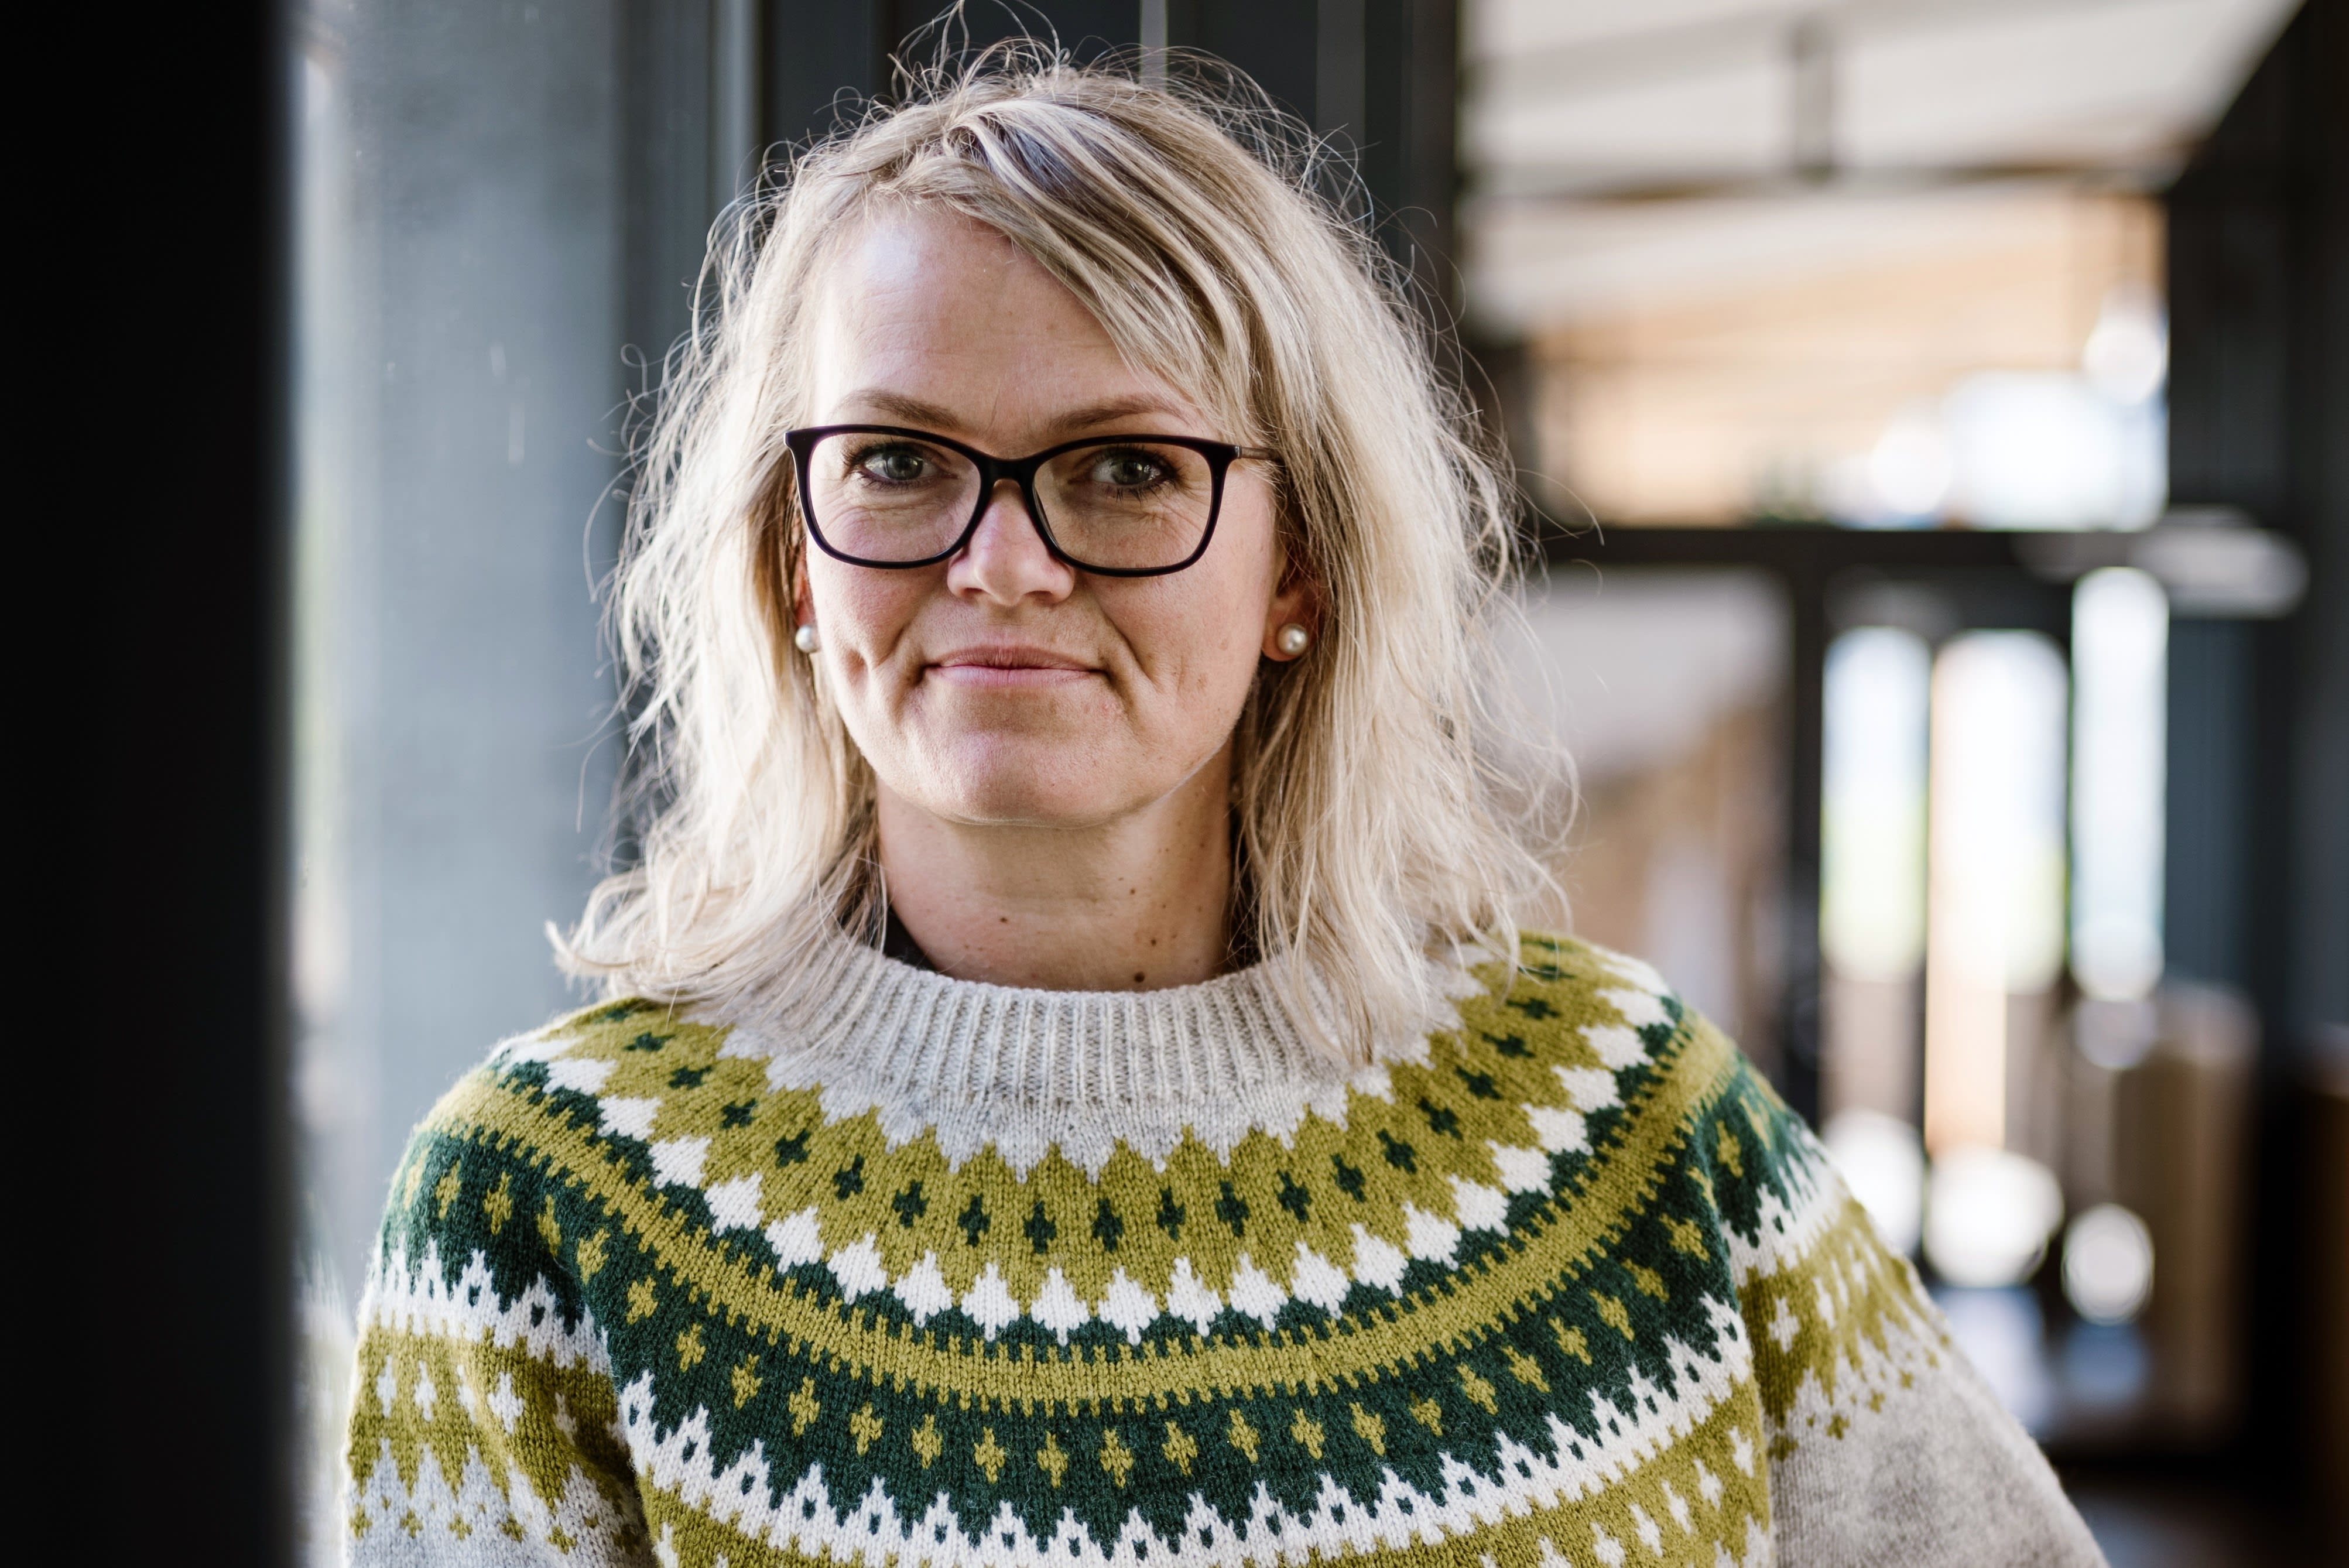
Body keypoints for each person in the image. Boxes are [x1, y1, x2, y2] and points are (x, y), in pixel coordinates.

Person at [341, 46, 2104, 1568]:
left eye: (1125, 468)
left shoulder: (1634, 1123)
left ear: (1299, 571)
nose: (1002, 563)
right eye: (895, 462)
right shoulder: (544, 1211)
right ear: (791, 561)